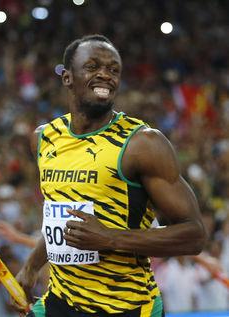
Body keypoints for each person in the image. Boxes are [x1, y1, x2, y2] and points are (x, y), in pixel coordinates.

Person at [14, 34, 207, 317]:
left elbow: (195, 235)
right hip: (61, 300)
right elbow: (63, 221)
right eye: (92, 67)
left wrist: (110, 238)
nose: (105, 75)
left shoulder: (143, 143)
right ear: (68, 77)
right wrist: (30, 268)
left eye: (113, 69)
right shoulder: (44, 138)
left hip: (126, 307)